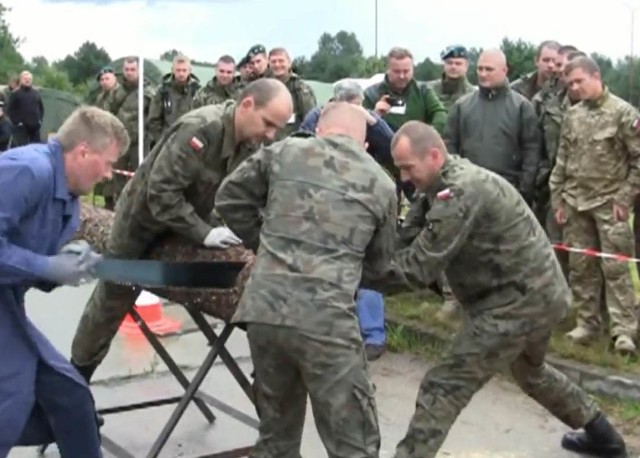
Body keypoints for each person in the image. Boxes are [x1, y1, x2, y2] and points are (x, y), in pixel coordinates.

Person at [365, 120, 627, 458]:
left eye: (406, 168)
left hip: (518, 302)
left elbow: (416, 268)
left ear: (432, 155)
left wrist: (354, 277)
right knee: (531, 373)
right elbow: (405, 236)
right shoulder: (439, 185)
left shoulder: (461, 190)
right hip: (533, 296)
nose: (403, 177)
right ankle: (605, 437)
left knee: (445, 385)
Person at [70, 78, 294, 386]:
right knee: (114, 293)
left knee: (226, 281)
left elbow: (241, 195)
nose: (271, 134)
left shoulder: (252, 143)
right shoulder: (201, 129)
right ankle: (76, 377)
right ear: (247, 105)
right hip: (141, 221)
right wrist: (203, 233)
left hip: (191, 218)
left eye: (277, 128)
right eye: (268, 123)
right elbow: (161, 195)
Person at [214, 102, 398, 457]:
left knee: (276, 437)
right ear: (364, 145)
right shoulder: (381, 183)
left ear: (319, 130)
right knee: (352, 443)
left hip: (264, 312)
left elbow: (229, 197)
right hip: (327, 322)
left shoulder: (284, 151)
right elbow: (378, 265)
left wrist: (264, 242)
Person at [0, 105, 129, 457]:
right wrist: (45, 266)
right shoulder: (28, 171)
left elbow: (36, 271)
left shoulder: (68, 202)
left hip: (7, 305)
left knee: (70, 399)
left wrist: (70, 266)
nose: (108, 174)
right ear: (83, 151)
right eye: (107, 162)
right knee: (10, 399)